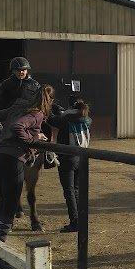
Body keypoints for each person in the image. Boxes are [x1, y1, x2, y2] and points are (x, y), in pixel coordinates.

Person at [0, 84, 54, 269]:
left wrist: (4, 132)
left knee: (3, 203)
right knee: (10, 206)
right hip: (14, 159)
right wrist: (32, 141)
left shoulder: (17, 107)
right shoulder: (36, 113)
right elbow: (18, 126)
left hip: (0, 155)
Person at [48, 99, 91, 233]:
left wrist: (49, 106)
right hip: (82, 158)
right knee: (77, 190)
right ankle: (81, 220)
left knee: (69, 191)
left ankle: (74, 222)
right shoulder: (86, 119)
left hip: (67, 159)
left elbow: (50, 119)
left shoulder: (64, 120)